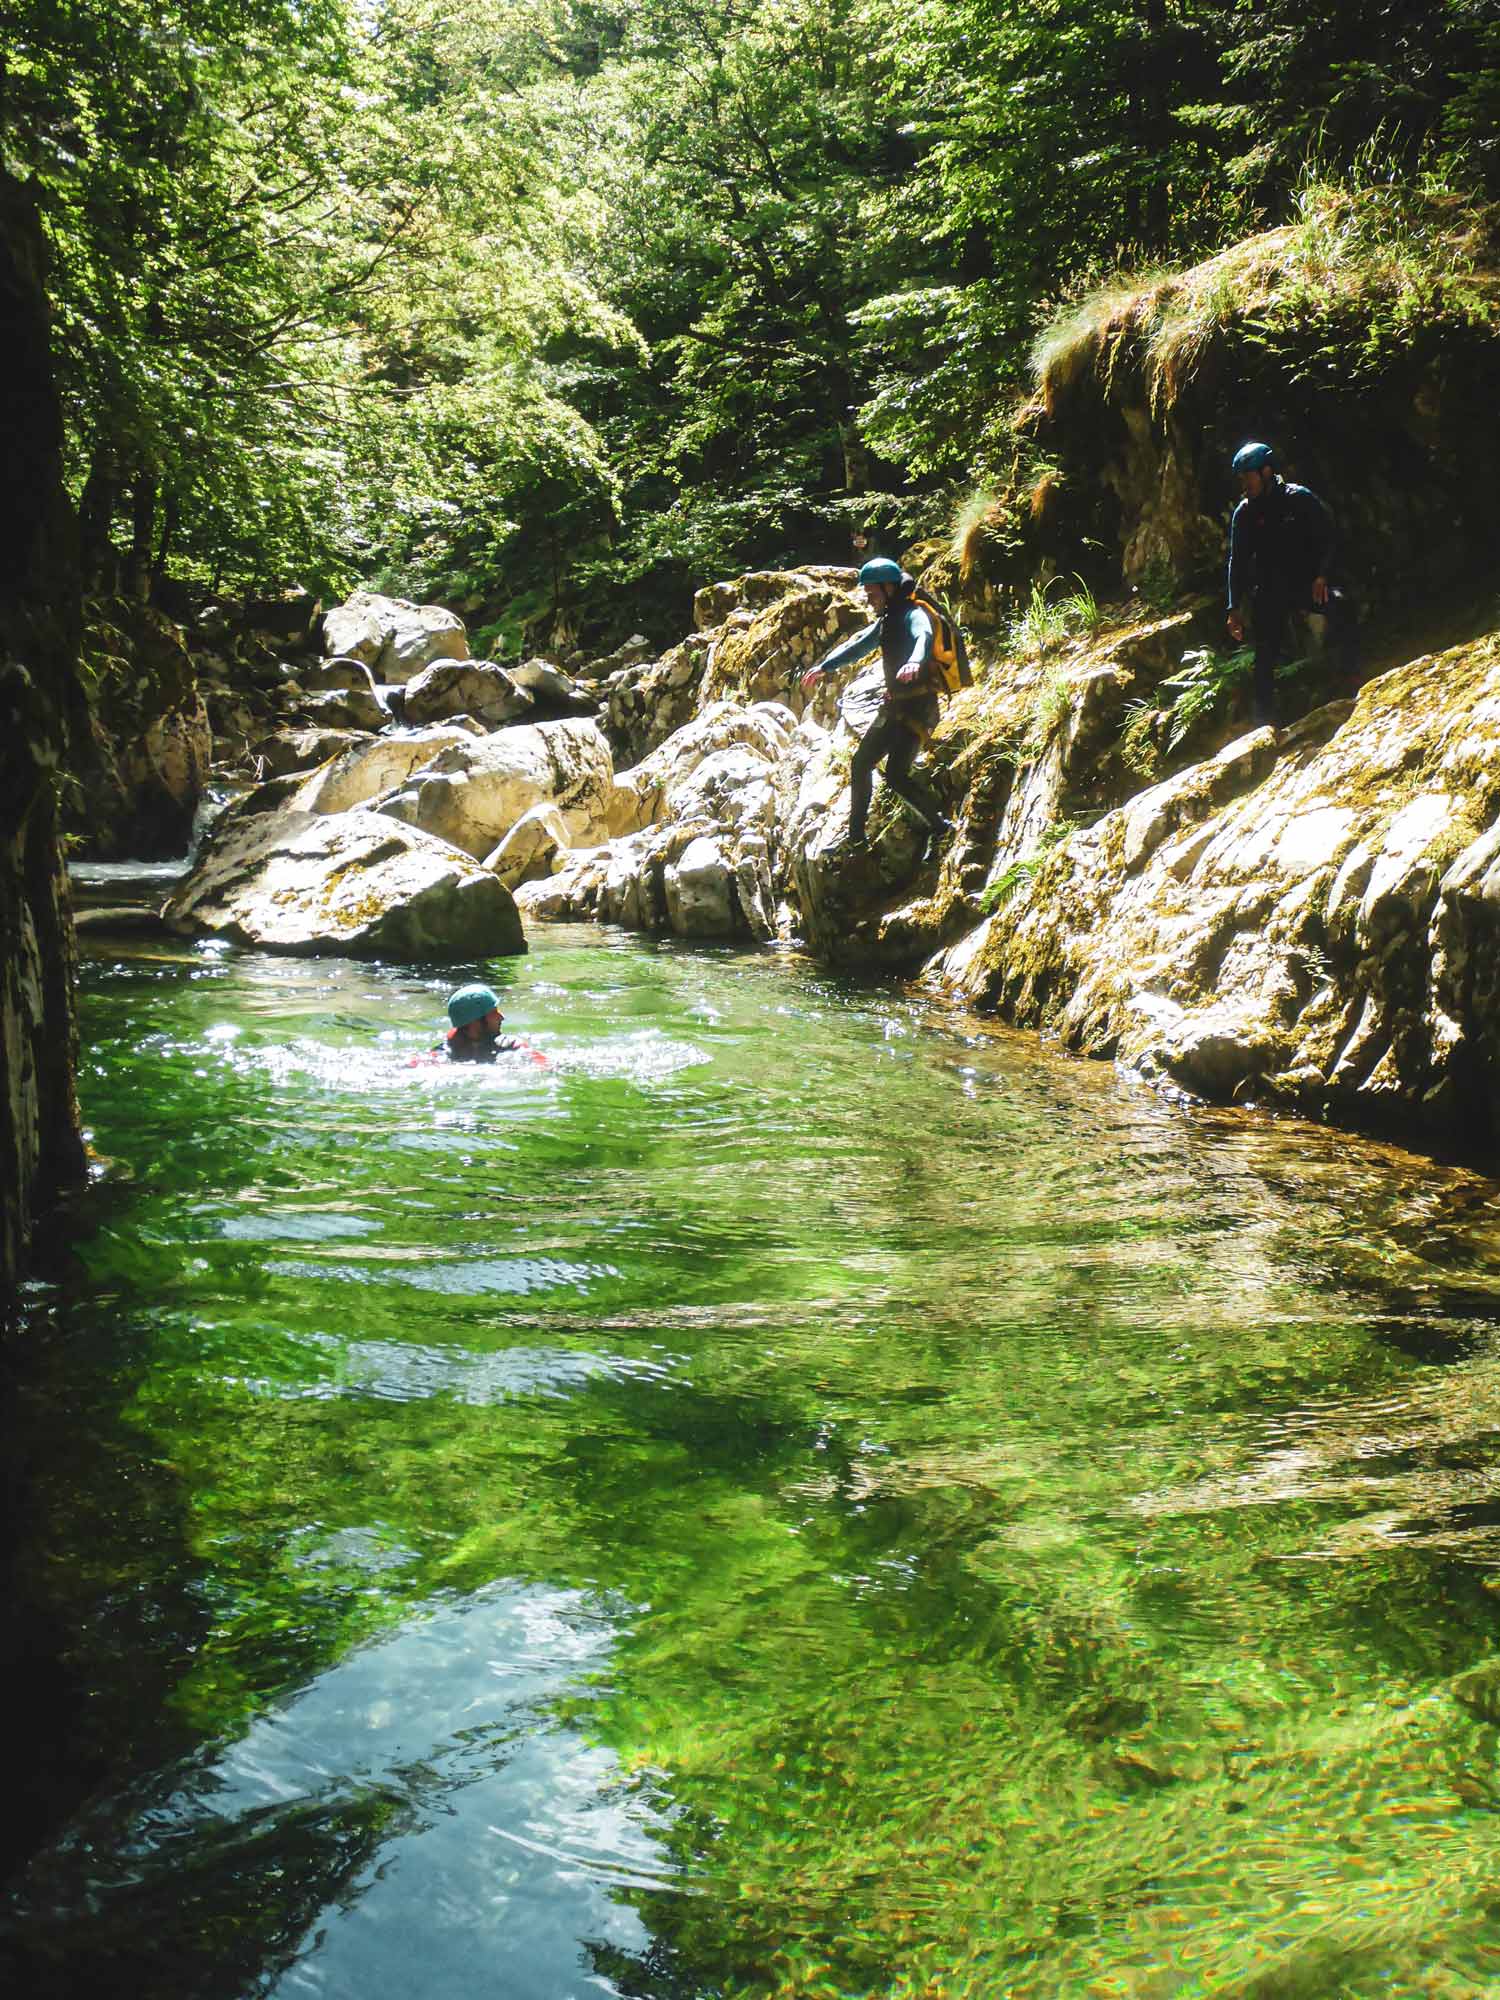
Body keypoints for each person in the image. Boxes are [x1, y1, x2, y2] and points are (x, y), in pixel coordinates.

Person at [799, 557, 955, 850]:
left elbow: (924, 636)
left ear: (889, 588)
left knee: (895, 774)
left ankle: (941, 828)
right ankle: (856, 839)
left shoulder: (913, 614)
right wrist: (826, 666)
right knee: (861, 764)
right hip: (895, 707)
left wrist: (914, 661)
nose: (869, 600)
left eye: (872, 594)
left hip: (919, 708)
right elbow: (860, 646)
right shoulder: (886, 621)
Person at [1225, 441, 1359, 727]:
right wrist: (1233, 607)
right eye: (1241, 478)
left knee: (1342, 606)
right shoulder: (1244, 514)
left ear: (1266, 472)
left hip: (1304, 584)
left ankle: (1350, 677)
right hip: (1270, 592)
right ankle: (1264, 720)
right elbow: (1237, 563)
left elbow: (1329, 535)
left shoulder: (1298, 498)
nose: (1244, 484)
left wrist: (1322, 574)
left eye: (1248, 476)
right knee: (1265, 653)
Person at [438, 983, 522, 1063]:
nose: (501, 1017)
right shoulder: (442, 1053)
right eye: (493, 1013)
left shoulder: (512, 1046)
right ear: (475, 1021)